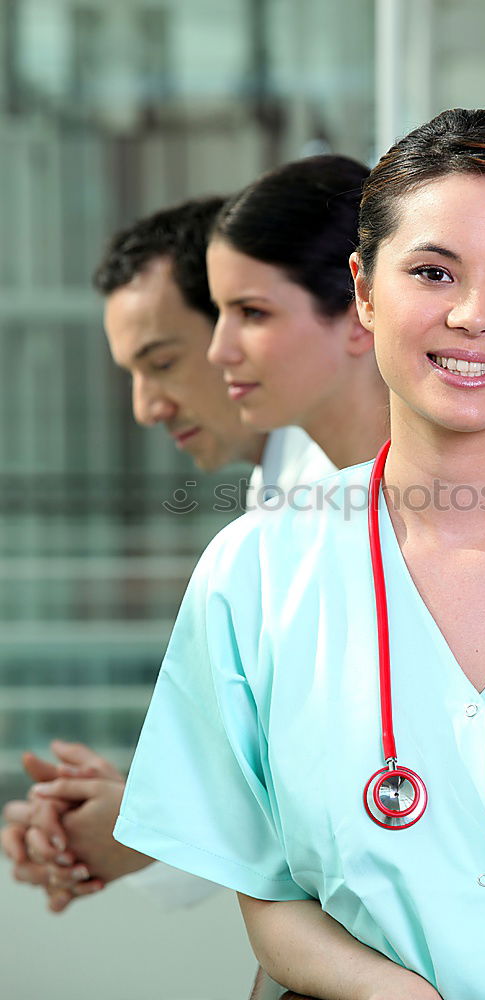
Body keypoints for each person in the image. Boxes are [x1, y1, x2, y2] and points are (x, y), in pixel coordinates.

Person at [107, 109, 485, 999]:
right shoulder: (255, 574)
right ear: (365, 293)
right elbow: (265, 886)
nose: (473, 314)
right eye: (433, 271)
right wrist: (383, 991)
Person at [1, 197, 332, 1000]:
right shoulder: (282, 494)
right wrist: (141, 808)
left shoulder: (337, 495)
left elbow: (345, 796)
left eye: (161, 361)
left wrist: (140, 819)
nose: (148, 407)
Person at [205, 155, 388, 468]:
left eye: (252, 313)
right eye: (220, 311)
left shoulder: (467, 497)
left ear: (360, 315)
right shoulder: (289, 489)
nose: (219, 352)